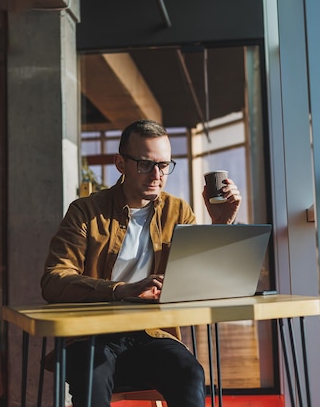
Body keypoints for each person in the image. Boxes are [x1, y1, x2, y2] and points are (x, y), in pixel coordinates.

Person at [40, 119, 242, 407]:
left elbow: (202, 281)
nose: (157, 175)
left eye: (164, 165)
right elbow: (53, 280)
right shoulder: (85, 212)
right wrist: (121, 290)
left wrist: (221, 224)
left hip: (151, 335)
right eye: (146, 165)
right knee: (92, 376)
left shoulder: (178, 211)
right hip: (92, 337)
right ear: (120, 163)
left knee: (190, 373)